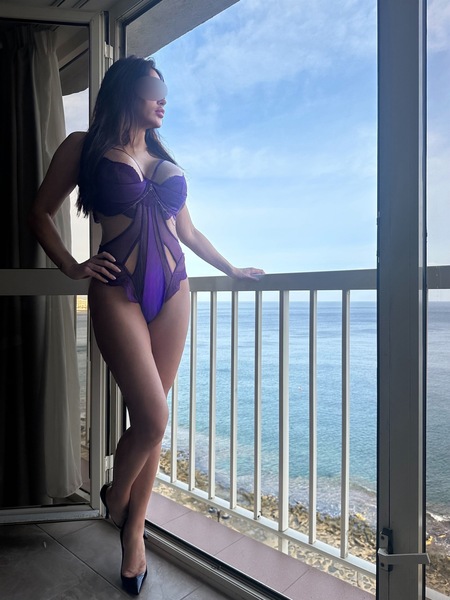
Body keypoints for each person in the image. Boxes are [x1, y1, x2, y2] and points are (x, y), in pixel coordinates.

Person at [29, 55, 264, 596]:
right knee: (155, 417)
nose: (164, 100)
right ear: (127, 90)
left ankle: (132, 531)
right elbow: (39, 212)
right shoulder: (83, 147)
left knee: (150, 419)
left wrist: (230, 267)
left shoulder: (163, 157)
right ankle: (116, 495)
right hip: (117, 291)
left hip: (175, 291)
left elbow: (187, 231)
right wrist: (72, 266)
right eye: (155, 89)